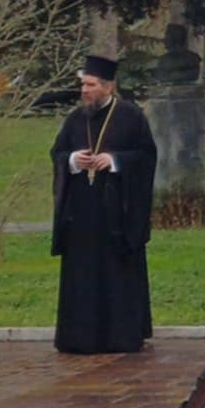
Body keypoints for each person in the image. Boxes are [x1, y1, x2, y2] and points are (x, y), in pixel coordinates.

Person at [51, 56, 158, 355]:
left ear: (108, 86)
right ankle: (78, 338)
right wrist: (73, 161)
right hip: (81, 215)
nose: (84, 90)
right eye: (83, 84)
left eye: (90, 85)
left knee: (116, 277)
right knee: (81, 277)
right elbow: (58, 153)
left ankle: (119, 337)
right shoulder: (75, 119)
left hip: (117, 216)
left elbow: (147, 156)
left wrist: (115, 161)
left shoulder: (130, 117)